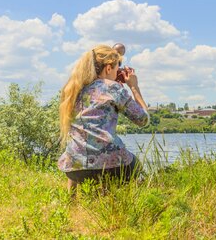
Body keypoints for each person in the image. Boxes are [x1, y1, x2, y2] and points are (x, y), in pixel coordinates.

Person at [58, 44, 149, 193]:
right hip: (110, 167)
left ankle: (72, 200)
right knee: (135, 165)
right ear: (108, 68)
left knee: (79, 143)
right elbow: (143, 120)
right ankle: (116, 200)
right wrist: (134, 87)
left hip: (74, 170)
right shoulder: (113, 87)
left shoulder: (73, 89)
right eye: (115, 69)